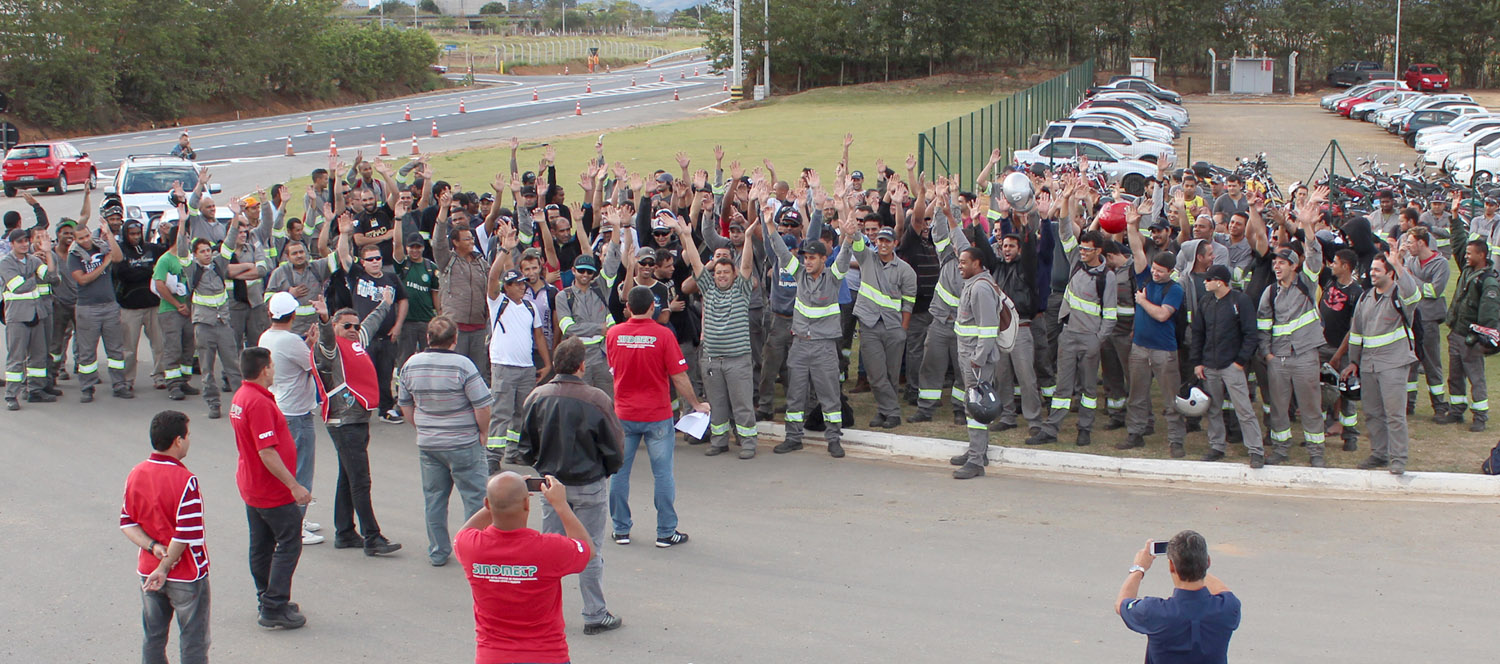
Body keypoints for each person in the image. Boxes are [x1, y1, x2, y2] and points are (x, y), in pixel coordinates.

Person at [516, 337, 625, 634]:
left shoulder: (537, 396)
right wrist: (606, 470)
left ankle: (538, 611)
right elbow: (615, 447)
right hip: (589, 484)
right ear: (581, 366)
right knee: (588, 549)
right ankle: (594, 613)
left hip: (552, 486)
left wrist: (543, 467)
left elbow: (524, 446)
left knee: (549, 549)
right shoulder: (597, 399)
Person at [606, 285, 707, 548]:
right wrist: (695, 404)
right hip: (657, 415)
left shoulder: (614, 334)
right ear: (653, 307)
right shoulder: (662, 336)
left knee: (619, 473)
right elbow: (679, 376)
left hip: (624, 414)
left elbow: (614, 368)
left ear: (628, 308)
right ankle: (665, 532)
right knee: (662, 474)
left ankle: (620, 529)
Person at [455, 473, 593, 664]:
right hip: (547, 655)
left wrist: (496, 502)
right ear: (527, 505)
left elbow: (461, 534)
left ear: (486, 504)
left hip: (493, 656)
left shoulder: (470, 546)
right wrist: (560, 505)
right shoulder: (549, 549)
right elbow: (587, 549)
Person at [1028, 178, 1117, 447]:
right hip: (1069, 336)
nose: (1083, 252)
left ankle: (1085, 428)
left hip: (1090, 339)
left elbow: (1110, 315)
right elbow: (1065, 232)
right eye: (1082, 248)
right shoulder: (1076, 261)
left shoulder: (1107, 277)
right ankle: (1052, 428)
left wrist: (1097, 340)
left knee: (1089, 389)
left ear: (1099, 251)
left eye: (1088, 249)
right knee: (1063, 386)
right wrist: (1065, 200)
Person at [397, 315, 492, 567]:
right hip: (463, 442)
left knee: (434, 498)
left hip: (429, 443)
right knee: (475, 497)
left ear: (428, 338)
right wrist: (483, 432)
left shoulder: (411, 364)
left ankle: (438, 550)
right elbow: (482, 405)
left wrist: (422, 426)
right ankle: (475, 550)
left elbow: (404, 404)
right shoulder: (463, 366)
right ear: (455, 340)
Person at [119, 410, 211, 664]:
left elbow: (127, 523)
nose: (189, 441)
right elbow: (186, 534)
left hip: (147, 571)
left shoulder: (135, 474)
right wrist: (165, 566)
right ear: (178, 441)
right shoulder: (186, 481)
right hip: (186, 574)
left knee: (154, 638)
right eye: (188, 436)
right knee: (193, 641)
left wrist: (153, 547)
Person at [313, 291, 401, 556]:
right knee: (361, 481)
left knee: (348, 477)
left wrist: (385, 304)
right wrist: (325, 320)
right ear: (336, 327)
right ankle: (372, 537)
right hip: (344, 422)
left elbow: (372, 323)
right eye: (346, 326)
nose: (353, 330)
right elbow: (327, 339)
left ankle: (345, 532)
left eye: (355, 326)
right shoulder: (328, 347)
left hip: (358, 420)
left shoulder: (356, 342)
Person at [229, 347, 310, 630]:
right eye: (272, 366)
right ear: (264, 370)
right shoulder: (258, 403)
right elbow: (267, 451)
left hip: (252, 485)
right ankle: (274, 605)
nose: (274, 370)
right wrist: (294, 485)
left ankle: (267, 598)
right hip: (270, 490)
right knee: (289, 542)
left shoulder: (242, 397)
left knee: (262, 546)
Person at [669, 214, 761, 457]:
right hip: (711, 359)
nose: (721, 275)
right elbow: (698, 265)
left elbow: (748, 266)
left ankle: (748, 442)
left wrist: (749, 237)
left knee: (741, 404)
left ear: (733, 275)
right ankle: (719, 440)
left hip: (737, 360)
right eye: (718, 272)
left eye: (726, 272)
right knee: (717, 403)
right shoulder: (707, 288)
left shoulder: (742, 290)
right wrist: (686, 236)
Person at [1257, 204, 1326, 466]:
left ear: (1294, 266)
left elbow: (1315, 258)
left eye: (1282, 263)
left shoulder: (1306, 283)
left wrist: (1307, 227)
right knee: (1278, 408)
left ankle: (1316, 453)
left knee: (1310, 407)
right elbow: (1263, 326)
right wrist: (1268, 354)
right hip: (1279, 359)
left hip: (1306, 356)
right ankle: (1281, 450)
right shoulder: (1270, 293)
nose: (1277, 267)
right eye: (1275, 263)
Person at [484, 218, 552, 471]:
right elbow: (492, 277)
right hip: (503, 366)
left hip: (525, 368)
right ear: (507, 287)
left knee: (521, 413)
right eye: (519, 284)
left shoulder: (529, 306)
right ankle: (493, 456)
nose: (524, 287)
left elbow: (538, 336)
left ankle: (514, 452)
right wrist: (504, 250)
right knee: (501, 412)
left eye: (524, 283)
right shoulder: (497, 301)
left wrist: (547, 363)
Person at [259, 292, 326, 546]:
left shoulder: (267, 336)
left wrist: (306, 345)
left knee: (290, 468)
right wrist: (314, 345)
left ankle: (296, 519)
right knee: (301, 471)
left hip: (281, 406)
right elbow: (315, 365)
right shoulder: (290, 341)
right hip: (297, 413)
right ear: (294, 315)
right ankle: (295, 524)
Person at [1347, 249, 1420, 475]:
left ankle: (1398, 459)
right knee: (1372, 412)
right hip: (1368, 364)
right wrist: (1353, 362)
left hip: (1394, 363)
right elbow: (1356, 332)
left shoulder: (1401, 295)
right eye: (1371, 270)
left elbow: (1414, 295)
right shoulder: (1365, 297)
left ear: (1390, 273)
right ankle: (1379, 453)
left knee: (1395, 414)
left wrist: (1398, 264)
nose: (1372, 274)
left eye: (1377, 270)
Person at [1116, 531, 1241, 663]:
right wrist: (1196, 563)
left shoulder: (1154, 611)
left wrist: (1139, 568)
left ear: (1171, 566)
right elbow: (1223, 591)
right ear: (1208, 562)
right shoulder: (1228, 608)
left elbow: (1121, 604)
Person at [1121, 204, 1186, 455]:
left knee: (1171, 399)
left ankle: (1176, 440)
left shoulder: (1175, 290)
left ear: (1171, 272)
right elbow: (1137, 249)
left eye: (1160, 272)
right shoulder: (1145, 276)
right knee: (1137, 395)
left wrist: (1142, 301)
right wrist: (1131, 225)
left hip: (1164, 352)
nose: (1156, 274)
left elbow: (1161, 315)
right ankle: (1135, 433)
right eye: (1154, 269)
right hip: (1139, 347)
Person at [1189, 265, 1265, 467]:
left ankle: (1256, 450)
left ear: (1220, 281)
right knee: (1213, 409)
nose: (1204, 282)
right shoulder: (1205, 302)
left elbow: (1251, 334)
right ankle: (1217, 446)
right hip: (1209, 365)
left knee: (1244, 409)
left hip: (1232, 366)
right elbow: (1198, 333)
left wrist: (1240, 361)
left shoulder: (1240, 301)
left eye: (1208, 279)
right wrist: (1197, 362)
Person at [914, 182, 971, 426]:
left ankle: (960, 409)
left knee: (962, 372)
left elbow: (956, 231)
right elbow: (940, 231)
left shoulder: (975, 273)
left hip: (963, 328)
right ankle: (925, 409)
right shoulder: (947, 257)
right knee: (931, 366)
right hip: (939, 324)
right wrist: (941, 204)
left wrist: (953, 203)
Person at [852, 225, 917, 428]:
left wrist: (903, 329)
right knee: (875, 373)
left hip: (893, 326)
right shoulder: (866, 259)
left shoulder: (906, 271)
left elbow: (909, 302)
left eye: (887, 241)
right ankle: (893, 412)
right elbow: (856, 240)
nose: (883, 244)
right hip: (870, 325)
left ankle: (883, 410)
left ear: (895, 244)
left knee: (891, 373)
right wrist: (845, 210)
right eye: (880, 240)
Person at [950, 245, 1005, 480]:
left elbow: (988, 329)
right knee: (970, 405)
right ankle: (977, 452)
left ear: (977, 264)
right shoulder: (974, 284)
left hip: (976, 358)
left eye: (964, 262)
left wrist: (978, 360)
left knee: (976, 408)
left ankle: (975, 462)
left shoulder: (981, 288)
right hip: (970, 355)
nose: (960, 266)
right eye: (959, 261)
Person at [68, 217, 132, 401]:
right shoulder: (74, 256)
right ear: (75, 240)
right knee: (87, 352)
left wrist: (108, 234)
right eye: (81, 238)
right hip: (87, 308)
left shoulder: (100, 246)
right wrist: (105, 263)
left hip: (110, 306)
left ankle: (119, 385)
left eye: (87, 235)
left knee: (115, 351)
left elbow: (118, 257)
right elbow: (83, 279)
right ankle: (87, 388)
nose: (86, 240)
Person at [1438, 239, 1498, 431]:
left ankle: (1480, 416)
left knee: (1475, 377)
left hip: (1471, 338)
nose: (1466, 256)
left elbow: (1489, 315)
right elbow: (1458, 246)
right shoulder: (1468, 271)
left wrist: (1481, 338)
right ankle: (1457, 410)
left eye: (1470, 253)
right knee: (1455, 376)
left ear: (1482, 255)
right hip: (1457, 332)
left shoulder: (1488, 281)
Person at [2, 228, 58, 409]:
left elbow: (51, 277)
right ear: (12, 244)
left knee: (38, 356)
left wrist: (48, 252)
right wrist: (34, 277)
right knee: (16, 358)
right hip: (17, 317)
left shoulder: (33, 260)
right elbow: (18, 287)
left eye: (26, 241)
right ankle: (11, 395)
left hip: (37, 314)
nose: (24, 244)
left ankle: (35, 390)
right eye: (20, 242)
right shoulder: (5, 263)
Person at [115, 219, 167, 391]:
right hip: (130, 307)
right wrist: (149, 270)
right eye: (132, 234)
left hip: (153, 305)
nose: (136, 237)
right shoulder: (120, 251)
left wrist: (166, 234)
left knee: (159, 344)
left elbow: (168, 253)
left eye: (138, 233)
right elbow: (124, 274)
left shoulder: (151, 249)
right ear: (125, 234)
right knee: (128, 348)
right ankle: (128, 379)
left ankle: (160, 376)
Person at [1403, 227, 1449, 419]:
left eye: (1410, 242)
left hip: (1429, 320)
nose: (1407, 246)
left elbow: (1433, 291)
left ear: (1421, 243)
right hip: (1411, 318)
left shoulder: (1441, 264)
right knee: (1409, 363)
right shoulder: (1411, 261)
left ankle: (1439, 406)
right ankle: (1408, 404)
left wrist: (1411, 278)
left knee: (1431, 362)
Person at [392, 231, 440, 369]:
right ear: (407, 248)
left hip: (427, 320)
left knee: (431, 358)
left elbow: (435, 294)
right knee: (405, 359)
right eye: (411, 247)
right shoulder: (402, 265)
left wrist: (439, 315)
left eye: (418, 247)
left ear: (423, 248)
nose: (414, 250)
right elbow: (396, 245)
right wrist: (398, 220)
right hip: (407, 321)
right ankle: (402, 385)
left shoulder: (431, 268)